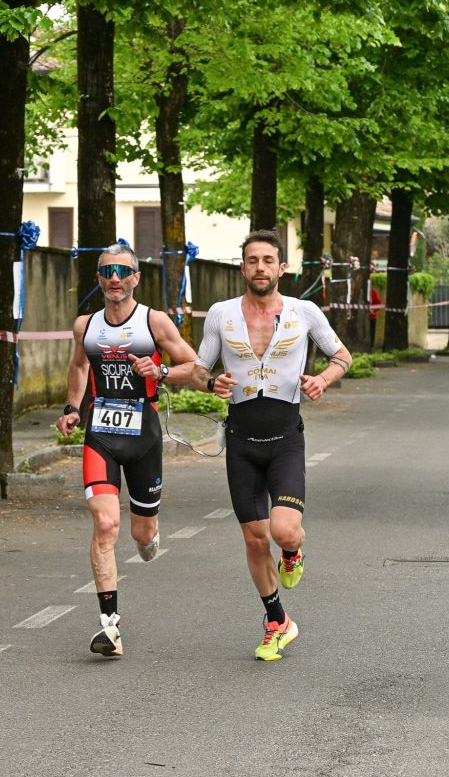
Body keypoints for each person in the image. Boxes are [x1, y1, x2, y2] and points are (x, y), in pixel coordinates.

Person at [189, 229, 352, 661]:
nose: (259, 268)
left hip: (285, 442)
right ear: (242, 268)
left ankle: (293, 553)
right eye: (252, 260)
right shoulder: (221, 314)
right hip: (241, 443)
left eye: (267, 260)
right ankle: (277, 620)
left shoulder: (304, 312)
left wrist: (322, 379)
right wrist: (210, 382)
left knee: (283, 532)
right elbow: (199, 368)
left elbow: (342, 356)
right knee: (255, 540)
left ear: (281, 267)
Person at [56, 242, 198, 659]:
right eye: (107, 271)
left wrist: (162, 370)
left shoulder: (154, 321)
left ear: (136, 277)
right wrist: (72, 408)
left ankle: (150, 532)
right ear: (98, 279)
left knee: (142, 533)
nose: (114, 278)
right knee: (105, 524)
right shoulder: (85, 325)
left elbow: (195, 366)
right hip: (101, 433)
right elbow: (79, 366)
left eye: (122, 271)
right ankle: (110, 627)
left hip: (144, 435)